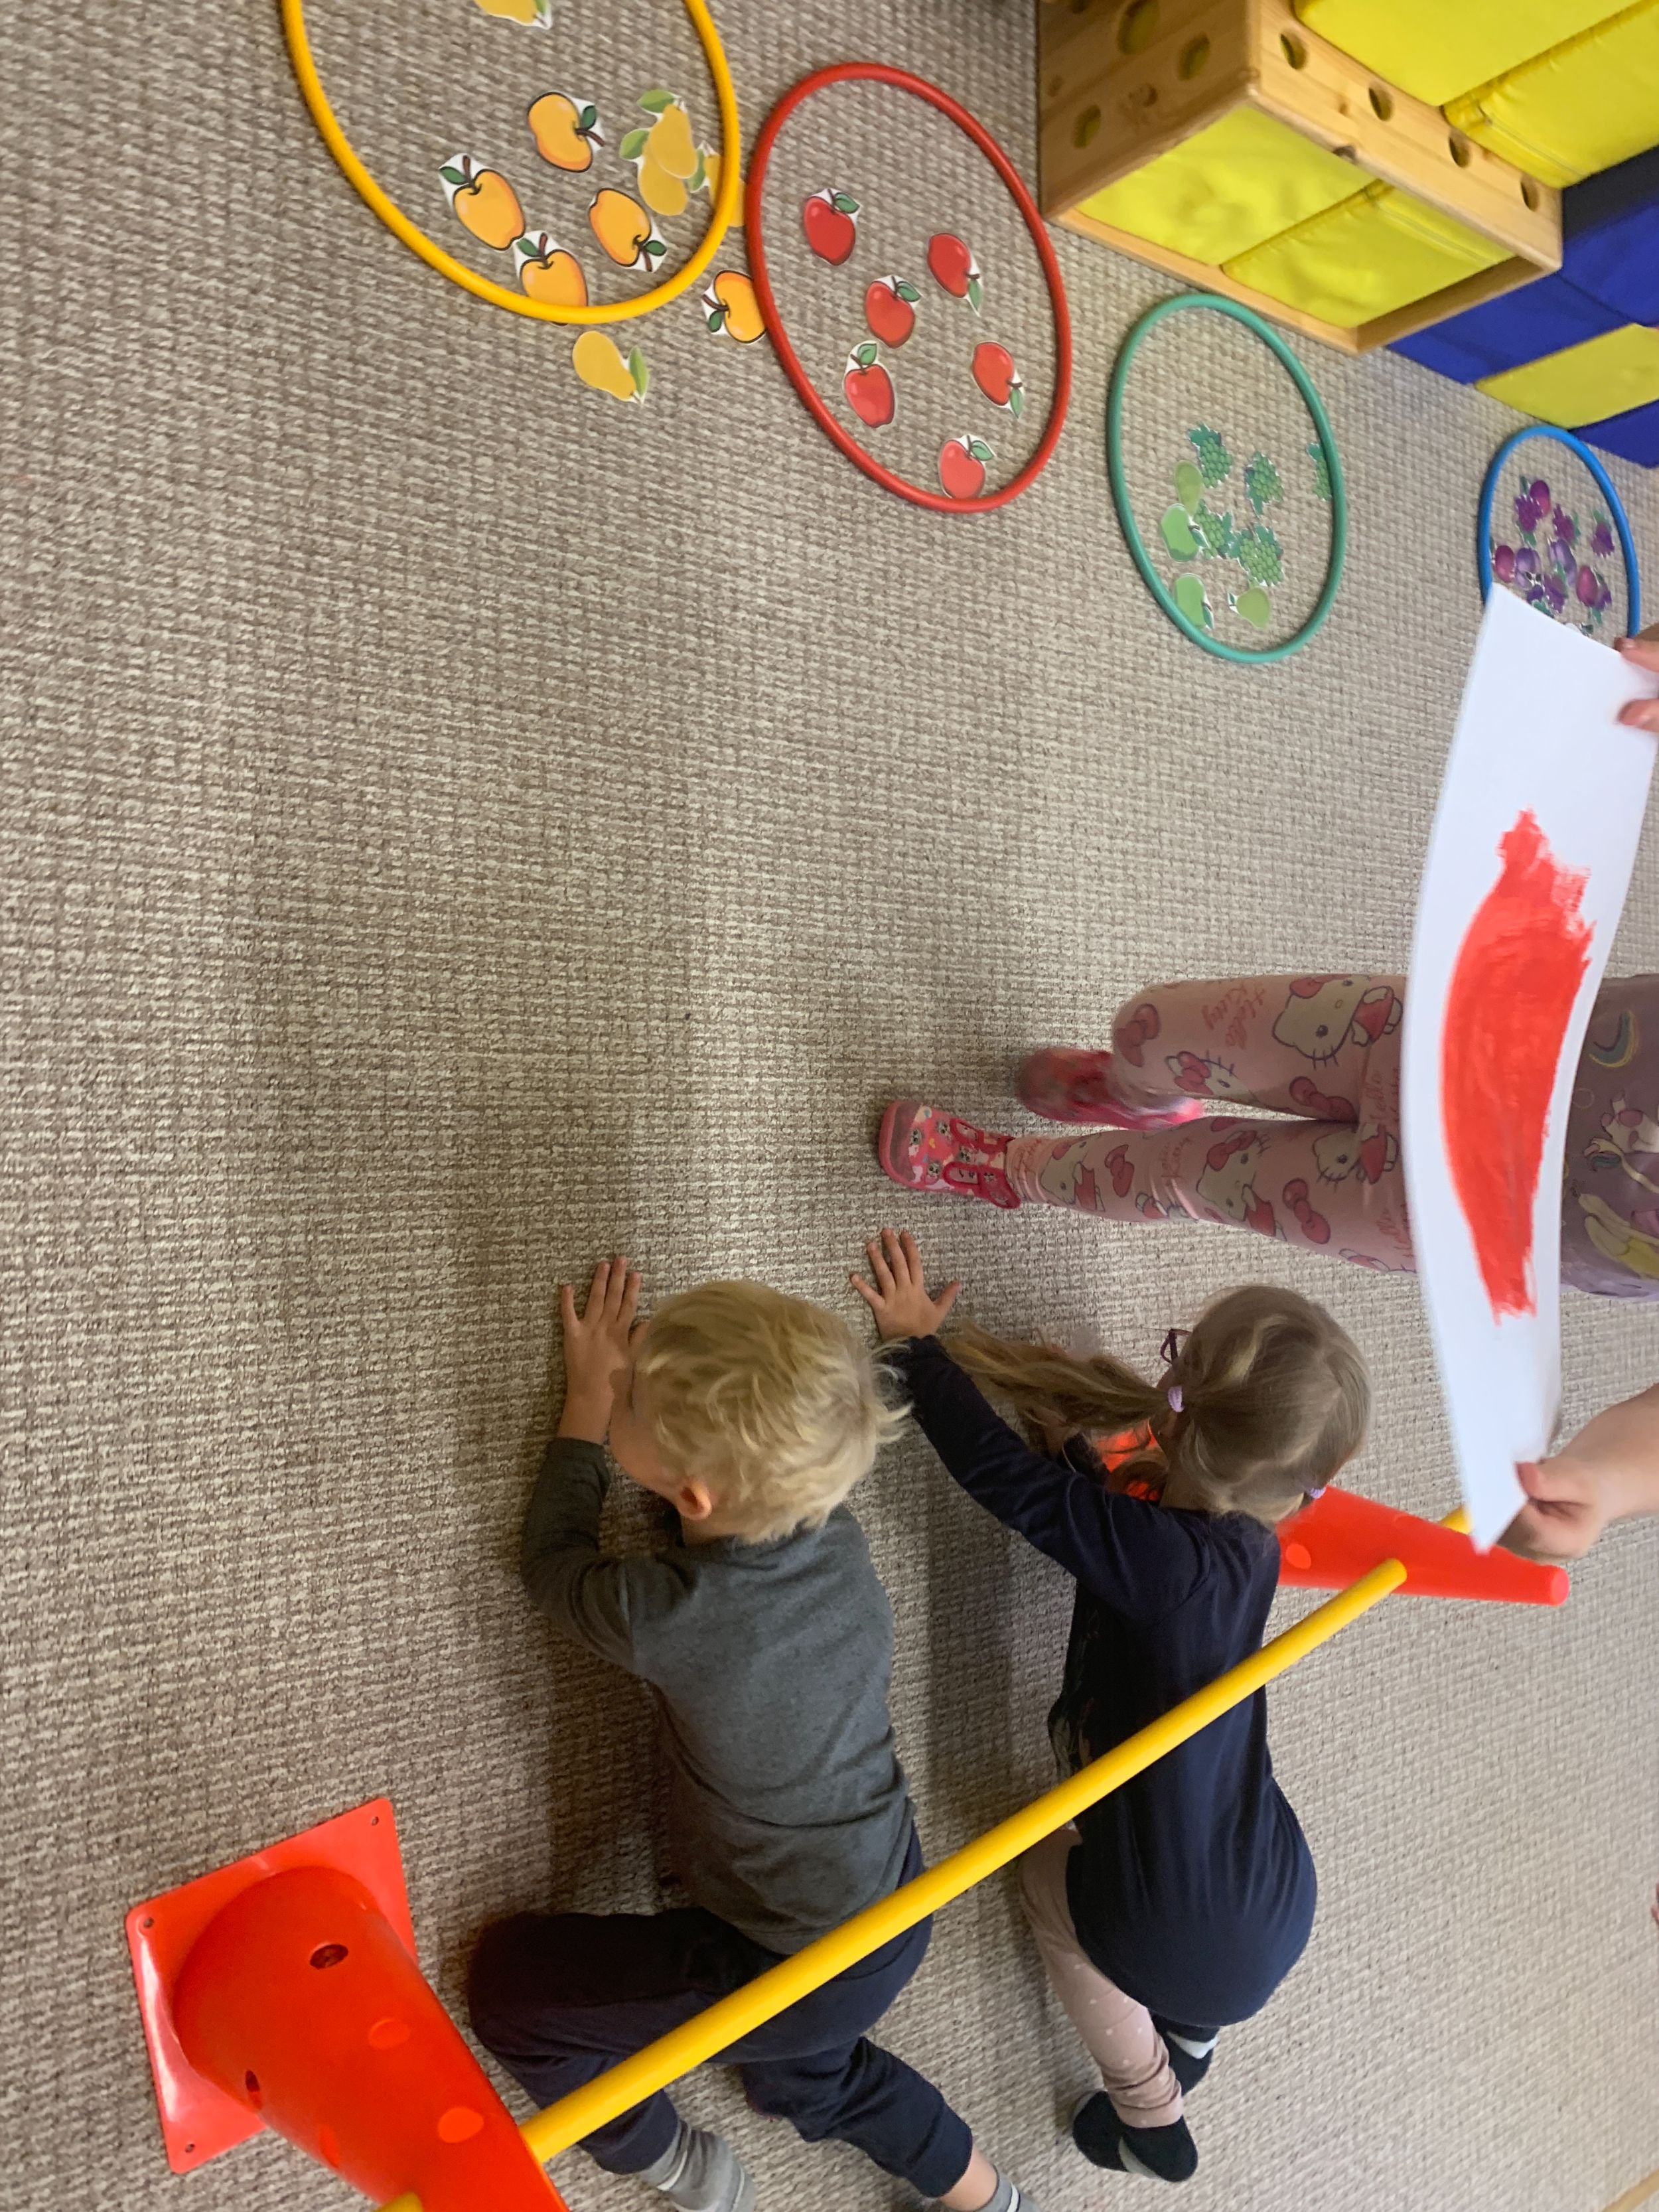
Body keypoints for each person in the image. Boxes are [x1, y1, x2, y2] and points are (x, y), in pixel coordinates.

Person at [467, 1258, 1035, 2212]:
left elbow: (552, 1562)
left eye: (634, 1394)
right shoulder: (837, 1537)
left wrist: (588, 1404)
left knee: (511, 1992)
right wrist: (656, 1416)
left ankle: (673, 2161)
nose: (626, 1370)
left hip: (780, 1959)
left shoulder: (665, 1614)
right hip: (896, 1904)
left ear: (694, 1497)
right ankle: (991, 2199)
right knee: (812, 2075)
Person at [851, 1227, 1367, 2186]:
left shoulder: (1164, 1560)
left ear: (1176, 1408)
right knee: (1189, 1893)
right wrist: (1084, 1470)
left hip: (1168, 1924)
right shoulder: (1253, 1547)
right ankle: (1195, 2032)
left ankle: (1148, 2110)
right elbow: (1124, 1548)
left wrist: (920, 1349)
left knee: (1045, 1877)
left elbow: (1003, 1481)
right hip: (1273, 1894)